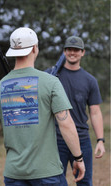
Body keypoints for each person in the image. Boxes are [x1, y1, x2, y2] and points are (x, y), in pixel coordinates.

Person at [0, 27, 85, 186]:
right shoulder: (51, 82)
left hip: (14, 174)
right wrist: (78, 158)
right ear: (35, 48)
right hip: (47, 173)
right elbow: (66, 124)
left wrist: (13, 114)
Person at [54, 36, 105, 186]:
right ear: (64, 51)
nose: (72, 52)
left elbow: (95, 112)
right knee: (55, 182)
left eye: (76, 50)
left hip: (82, 139)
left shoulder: (90, 81)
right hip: (56, 140)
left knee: (85, 182)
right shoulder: (51, 77)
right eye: (69, 49)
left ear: (82, 52)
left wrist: (100, 140)